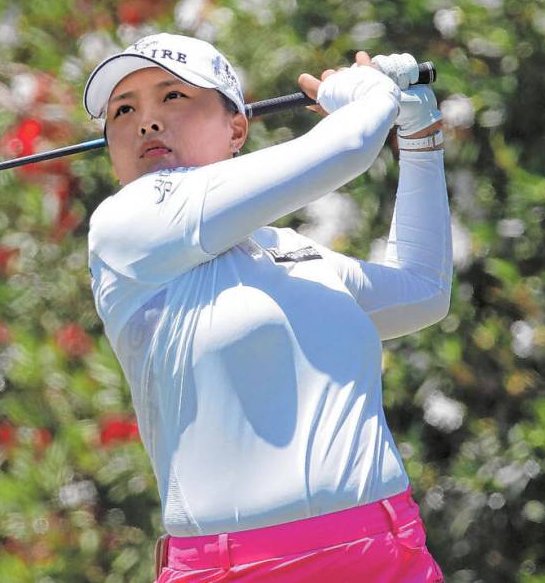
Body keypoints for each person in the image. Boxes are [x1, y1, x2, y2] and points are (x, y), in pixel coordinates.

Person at [82, 33, 451, 582]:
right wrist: (371, 93)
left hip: (390, 549)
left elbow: (422, 289)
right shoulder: (125, 227)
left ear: (236, 128)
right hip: (241, 571)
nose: (147, 121)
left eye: (173, 97)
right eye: (123, 110)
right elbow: (349, 146)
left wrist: (419, 137)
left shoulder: (288, 251)